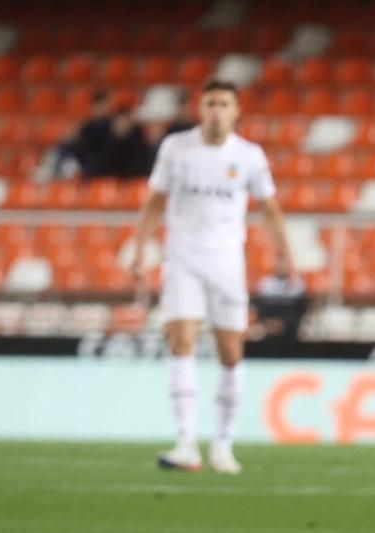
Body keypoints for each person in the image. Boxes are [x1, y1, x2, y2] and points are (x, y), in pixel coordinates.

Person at [129, 80, 295, 474]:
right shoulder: (176, 148)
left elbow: (269, 208)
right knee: (181, 341)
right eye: (210, 104)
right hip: (182, 258)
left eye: (224, 104)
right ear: (200, 110)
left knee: (230, 351)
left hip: (226, 263)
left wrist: (285, 253)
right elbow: (155, 202)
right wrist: (139, 251)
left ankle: (222, 445)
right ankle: (186, 442)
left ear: (236, 111)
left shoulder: (250, 156)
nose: (217, 110)